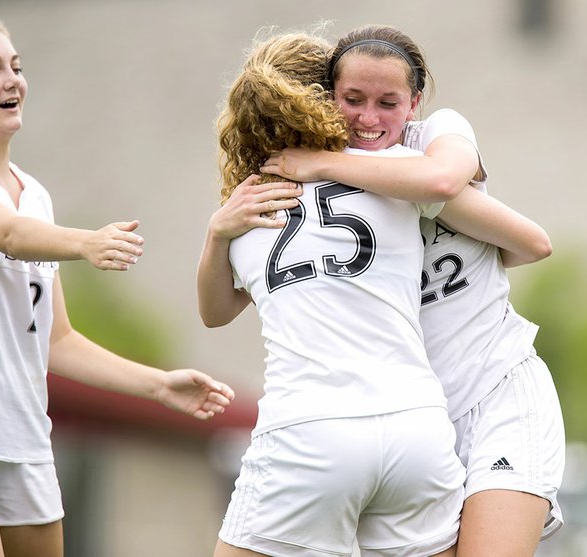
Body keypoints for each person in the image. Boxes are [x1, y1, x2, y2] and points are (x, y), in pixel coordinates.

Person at [260, 24, 565, 557]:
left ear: (415, 101)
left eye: (389, 101)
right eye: (352, 100)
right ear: (329, 98)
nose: (369, 118)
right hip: (416, 422)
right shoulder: (317, 196)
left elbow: (495, 219)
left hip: (498, 391)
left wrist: (325, 163)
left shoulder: (431, 140)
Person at [0, 16, 235, 557]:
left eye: (16, 67)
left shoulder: (34, 194)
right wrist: (86, 244)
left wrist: (158, 385)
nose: (12, 81)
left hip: (22, 431)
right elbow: (9, 234)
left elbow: (58, 342)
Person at [198, 31, 472, 557]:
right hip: (416, 428)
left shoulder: (250, 201)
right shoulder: (398, 173)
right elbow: (525, 239)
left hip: (310, 432)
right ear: (328, 99)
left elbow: (214, 313)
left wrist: (217, 233)